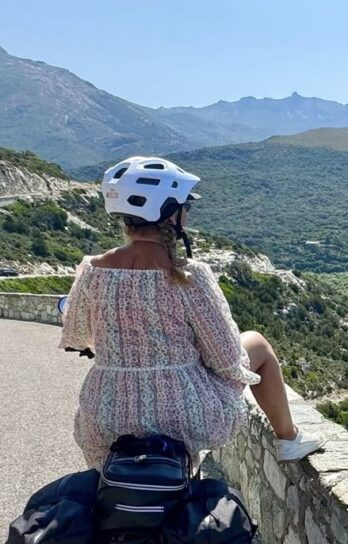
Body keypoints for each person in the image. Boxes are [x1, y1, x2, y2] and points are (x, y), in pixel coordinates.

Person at [58, 156, 325, 470]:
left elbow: (76, 336)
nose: (188, 212)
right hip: (182, 417)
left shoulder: (92, 271)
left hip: (104, 416)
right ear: (171, 214)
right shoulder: (189, 275)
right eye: (186, 206)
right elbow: (226, 358)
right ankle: (289, 439)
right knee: (258, 345)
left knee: (109, 492)